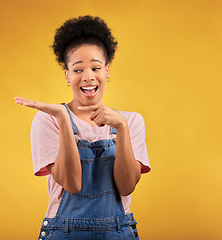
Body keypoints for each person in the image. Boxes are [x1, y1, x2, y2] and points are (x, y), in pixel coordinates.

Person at [14, 15, 150, 240]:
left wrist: (122, 128)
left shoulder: (131, 121)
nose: (88, 77)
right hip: (64, 233)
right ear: (67, 75)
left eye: (96, 68)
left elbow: (126, 187)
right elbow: (72, 184)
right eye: (78, 70)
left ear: (107, 71)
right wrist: (63, 119)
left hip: (118, 233)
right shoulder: (48, 120)